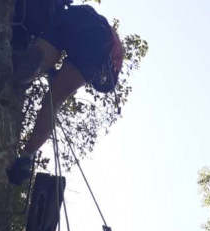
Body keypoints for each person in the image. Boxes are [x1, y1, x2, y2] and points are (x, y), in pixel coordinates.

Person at [7, 1, 124, 185]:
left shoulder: (92, 18)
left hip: (72, 19)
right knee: (54, 100)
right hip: (96, 49)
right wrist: (62, 79)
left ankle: (35, 66)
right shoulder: (113, 49)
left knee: (45, 54)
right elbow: (104, 81)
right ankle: (26, 157)